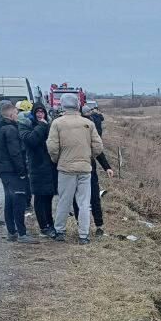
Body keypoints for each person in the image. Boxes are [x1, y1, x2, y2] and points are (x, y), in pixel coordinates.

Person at [47, 93, 103, 244]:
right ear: (78, 105)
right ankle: (83, 235)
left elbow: (52, 147)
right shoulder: (88, 123)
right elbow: (98, 146)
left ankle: (60, 230)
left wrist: (57, 159)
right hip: (85, 168)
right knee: (84, 203)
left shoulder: (57, 123)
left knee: (64, 200)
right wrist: (88, 157)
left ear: (62, 106)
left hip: (66, 168)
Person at [0, 101, 37, 243]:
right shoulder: (10, 130)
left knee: (9, 200)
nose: (17, 115)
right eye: (16, 113)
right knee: (19, 201)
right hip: (13, 171)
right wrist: (22, 171)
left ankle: (12, 231)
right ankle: (22, 234)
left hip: (4, 170)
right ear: (11, 114)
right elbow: (15, 153)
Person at [19, 105, 57, 236]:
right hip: (37, 166)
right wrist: (41, 126)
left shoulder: (49, 125)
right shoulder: (26, 126)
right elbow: (31, 140)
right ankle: (44, 227)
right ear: (33, 114)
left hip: (50, 167)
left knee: (48, 197)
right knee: (40, 197)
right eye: (38, 112)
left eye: (42, 112)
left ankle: (50, 223)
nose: (40, 114)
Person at [78, 101, 114, 236]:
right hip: (78, 169)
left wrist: (107, 167)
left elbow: (98, 150)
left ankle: (98, 226)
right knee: (82, 199)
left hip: (88, 168)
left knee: (92, 197)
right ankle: (83, 226)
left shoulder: (90, 128)